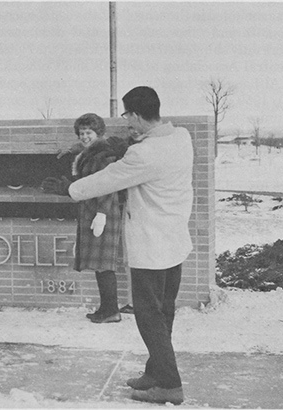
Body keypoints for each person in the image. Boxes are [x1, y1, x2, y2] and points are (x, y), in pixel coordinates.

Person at [42, 86, 193, 405]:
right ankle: (155, 370)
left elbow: (108, 178)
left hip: (151, 247)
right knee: (164, 311)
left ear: (137, 115)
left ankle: (169, 384)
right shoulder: (180, 138)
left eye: (127, 116)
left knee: (149, 316)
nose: (126, 122)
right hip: (175, 242)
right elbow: (124, 145)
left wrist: (70, 188)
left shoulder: (145, 154)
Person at [66, 113, 129, 324]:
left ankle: (111, 310)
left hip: (103, 213)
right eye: (82, 133)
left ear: (99, 133)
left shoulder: (104, 155)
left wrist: (101, 213)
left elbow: (108, 185)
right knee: (100, 264)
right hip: (92, 212)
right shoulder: (90, 154)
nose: (84, 137)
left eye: (89, 132)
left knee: (104, 264)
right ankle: (107, 307)